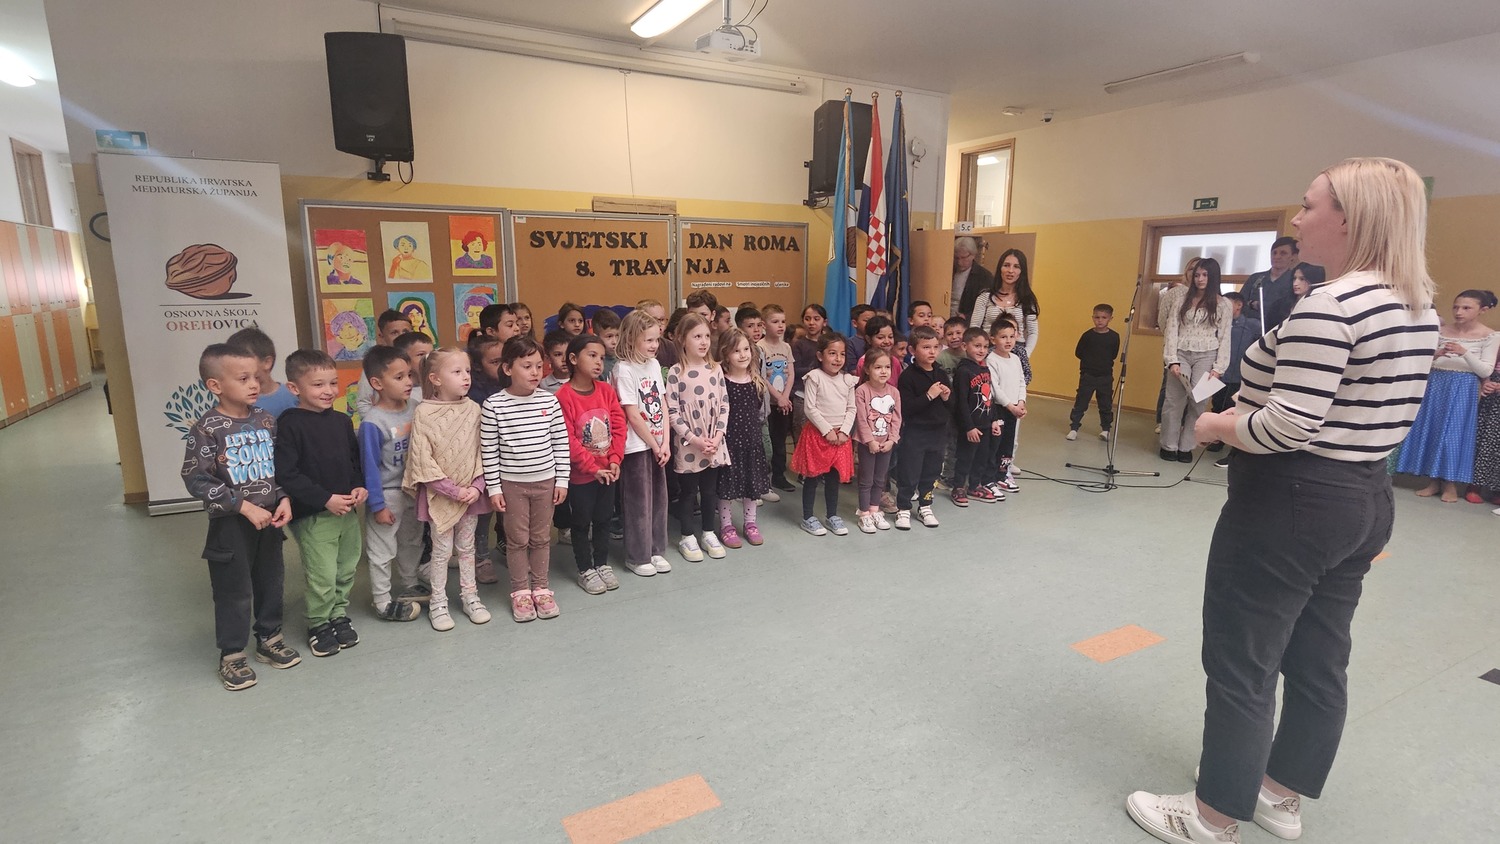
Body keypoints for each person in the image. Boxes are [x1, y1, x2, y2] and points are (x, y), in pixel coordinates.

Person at [1125, 157, 1442, 844]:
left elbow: (1288, 425)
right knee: (1319, 657)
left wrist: (1217, 426)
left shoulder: (1332, 306)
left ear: (1349, 219)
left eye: (1309, 206)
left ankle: (1211, 816)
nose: (1297, 220)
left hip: (1294, 499)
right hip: (1364, 496)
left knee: (1242, 658)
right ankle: (1278, 794)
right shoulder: (1417, 306)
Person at [181, 343, 298, 690]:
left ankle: (269, 638)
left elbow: (274, 469)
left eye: (256, 377)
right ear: (215, 385)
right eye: (243, 378)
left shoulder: (265, 420)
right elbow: (196, 479)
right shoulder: (207, 428)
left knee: (271, 580)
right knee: (234, 590)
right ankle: (232, 655)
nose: (254, 384)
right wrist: (242, 505)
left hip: (269, 520)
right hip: (231, 524)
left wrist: (283, 498)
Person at [273, 349, 367, 658]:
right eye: (318, 385)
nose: (328, 391)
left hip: (347, 512)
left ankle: (338, 614)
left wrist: (359, 486)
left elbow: (354, 462)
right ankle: (318, 623)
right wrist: (325, 499)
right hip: (314, 514)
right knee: (322, 574)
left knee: (346, 567)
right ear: (294, 388)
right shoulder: (289, 424)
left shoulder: (342, 421)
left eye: (333, 383)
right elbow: (287, 474)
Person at [481, 336, 570, 622]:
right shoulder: (493, 405)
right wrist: (494, 488)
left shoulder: (549, 401)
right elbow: (489, 451)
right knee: (517, 540)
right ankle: (520, 592)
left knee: (541, 538)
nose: (535, 372)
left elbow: (560, 443)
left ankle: (541, 588)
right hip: (512, 485)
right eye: (526, 366)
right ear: (508, 368)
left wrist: (562, 480)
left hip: (546, 482)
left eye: (538, 366)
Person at [403, 347, 492, 632]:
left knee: (467, 549)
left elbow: (482, 452)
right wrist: (453, 491)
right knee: (441, 552)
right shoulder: (424, 413)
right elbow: (422, 461)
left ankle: (470, 596)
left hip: (471, 494)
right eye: (456, 372)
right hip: (440, 496)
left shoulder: (474, 409)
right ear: (436, 379)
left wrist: (477, 486)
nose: (466, 377)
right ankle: (438, 601)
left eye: (467, 371)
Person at [1393, 289, 1499, 502]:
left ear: (1482, 310)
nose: (1459, 312)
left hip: (1464, 387)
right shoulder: (1441, 330)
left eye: (1466, 308)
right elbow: (1422, 361)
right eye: (1456, 307)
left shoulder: (1490, 335)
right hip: (1436, 383)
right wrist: (1436, 354)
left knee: (1453, 435)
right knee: (1433, 430)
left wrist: (1465, 352)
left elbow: (1486, 370)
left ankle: (1450, 484)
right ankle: (1433, 481)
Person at [357, 345, 425, 623]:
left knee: (412, 541)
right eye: (399, 377)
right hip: (386, 494)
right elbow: (369, 467)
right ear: (377, 383)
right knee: (382, 549)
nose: (408, 382)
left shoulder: (416, 409)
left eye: (409, 375)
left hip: (413, 491)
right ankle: (382, 600)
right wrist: (377, 505)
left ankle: (410, 583)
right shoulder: (373, 422)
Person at [557, 334, 625, 594]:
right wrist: (592, 468)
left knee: (604, 518)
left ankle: (601, 563)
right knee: (582, 522)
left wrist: (615, 459)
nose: (599, 362)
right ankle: (585, 568)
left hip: (608, 471)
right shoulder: (564, 396)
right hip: (582, 475)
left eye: (602, 357)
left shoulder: (606, 391)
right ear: (574, 359)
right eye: (592, 356)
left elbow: (618, 426)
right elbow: (568, 439)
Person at [613, 310, 672, 577]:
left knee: (659, 499)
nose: (654, 345)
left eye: (656, 340)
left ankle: (656, 549)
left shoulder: (654, 365)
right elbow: (632, 414)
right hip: (637, 446)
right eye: (648, 340)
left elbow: (663, 404)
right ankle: (638, 556)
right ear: (631, 338)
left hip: (658, 444)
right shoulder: (623, 369)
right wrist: (654, 444)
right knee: (639, 501)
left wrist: (665, 442)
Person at [667, 314, 730, 562]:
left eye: (706, 336)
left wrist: (718, 436)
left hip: (714, 442)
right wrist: (694, 439)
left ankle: (708, 532)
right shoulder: (676, 372)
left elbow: (724, 405)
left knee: (709, 490)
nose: (704, 342)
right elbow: (672, 412)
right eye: (697, 336)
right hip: (689, 443)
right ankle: (687, 536)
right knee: (689, 491)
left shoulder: (715, 369)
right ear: (682, 339)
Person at [1160, 257, 1233, 463]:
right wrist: (1172, 360)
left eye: (1205, 275)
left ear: (1213, 277)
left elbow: (1225, 337)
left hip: (1208, 355)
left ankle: (1186, 446)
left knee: (1198, 402)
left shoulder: (1224, 304)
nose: (1200, 279)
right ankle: (1168, 445)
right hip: (1181, 353)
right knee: (1173, 401)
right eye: (1197, 275)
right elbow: (1171, 330)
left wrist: (1219, 368)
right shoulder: (1181, 300)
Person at [792, 331, 856, 536]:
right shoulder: (814, 377)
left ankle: (832, 515)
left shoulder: (848, 380)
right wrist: (827, 430)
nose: (838, 359)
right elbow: (810, 408)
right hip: (818, 436)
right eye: (832, 353)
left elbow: (852, 408)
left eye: (842, 354)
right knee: (812, 478)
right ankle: (808, 517)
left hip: (840, 438)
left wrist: (844, 431)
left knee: (833, 479)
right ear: (820, 355)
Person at [715, 327, 771, 547]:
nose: (743, 355)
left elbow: (758, 410)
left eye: (746, 349)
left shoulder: (756, 381)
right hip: (729, 442)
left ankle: (750, 523)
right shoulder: (721, 381)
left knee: (751, 484)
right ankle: (726, 525)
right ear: (725, 353)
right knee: (727, 486)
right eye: (736, 351)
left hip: (751, 442)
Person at [894, 326, 951, 529]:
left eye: (935, 347)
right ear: (912, 350)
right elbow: (907, 408)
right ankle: (903, 507)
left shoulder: (941, 374)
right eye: (926, 347)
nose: (932, 352)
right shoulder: (908, 377)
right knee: (909, 471)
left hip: (938, 433)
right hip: (915, 433)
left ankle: (925, 505)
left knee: (932, 471)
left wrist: (946, 397)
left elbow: (950, 406)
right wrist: (929, 395)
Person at [466, 335, 505, 585]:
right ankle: (480, 557)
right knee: (482, 512)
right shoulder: (472, 394)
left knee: (506, 509)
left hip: (508, 459)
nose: (501, 366)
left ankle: (512, 546)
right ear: (478, 366)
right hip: (480, 461)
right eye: (494, 362)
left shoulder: (511, 385)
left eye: (504, 360)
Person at [853, 347, 901, 533]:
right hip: (868, 444)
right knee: (866, 480)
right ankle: (864, 513)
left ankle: (875, 510)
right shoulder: (862, 391)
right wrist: (870, 441)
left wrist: (892, 440)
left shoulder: (894, 392)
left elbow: (896, 419)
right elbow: (861, 419)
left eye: (887, 367)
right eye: (878, 367)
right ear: (867, 369)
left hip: (886, 443)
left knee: (880, 479)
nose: (883, 371)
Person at [950, 328, 997, 506]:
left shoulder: (985, 369)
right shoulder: (963, 371)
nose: (982, 350)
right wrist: (969, 427)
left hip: (985, 423)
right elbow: (961, 402)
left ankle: (974, 485)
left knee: (982, 456)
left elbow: (989, 397)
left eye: (985, 346)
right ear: (964, 346)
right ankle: (958, 487)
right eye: (977, 346)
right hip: (970, 426)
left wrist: (994, 420)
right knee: (966, 457)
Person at [1211, 293, 1256, 469]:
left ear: (1238, 305)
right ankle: (1217, 440)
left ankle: (1233, 450)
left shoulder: (1252, 325)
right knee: (1217, 407)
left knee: (1235, 413)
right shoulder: (1218, 323)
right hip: (1218, 373)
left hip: (1239, 377)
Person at [987, 317, 1027, 497]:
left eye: (1011, 336)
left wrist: (1021, 402)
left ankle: (1002, 475)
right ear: (993, 339)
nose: (1008, 341)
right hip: (999, 409)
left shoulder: (1016, 359)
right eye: (1003, 337)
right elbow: (995, 388)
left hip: (1014, 409)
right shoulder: (991, 360)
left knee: (1008, 444)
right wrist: (1011, 406)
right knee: (995, 445)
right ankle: (989, 478)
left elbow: (1021, 382)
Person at [759, 304, 797, 493]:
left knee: (780, 440)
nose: (780, 325)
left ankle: (779, 475)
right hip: (768, 404)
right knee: (767, 441)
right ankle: (763, 476)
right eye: (775, 322)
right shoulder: (760, 347)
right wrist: (778, 397)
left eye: (783, 321)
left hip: (784, 402)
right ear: (763, 325)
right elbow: (761, 377)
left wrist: (785, 397)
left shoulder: (786, 347)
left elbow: (791, 373)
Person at [1067, 304, 1119, 441]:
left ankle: (1106, 429)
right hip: (1088, 375)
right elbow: (1078, 352)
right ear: (1092, 317)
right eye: (1097, 317)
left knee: (1105, 404)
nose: (1100, 320)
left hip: (1105, 376)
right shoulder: (1087, 336)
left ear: (1110, 319)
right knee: (1081, 402)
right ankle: (1074, 428)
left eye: (1104, 317)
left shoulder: (1114, 337)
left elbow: (1114, 354)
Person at [226, 327, 298, 418]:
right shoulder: (234, 402)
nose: (238, 366)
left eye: (244, 359)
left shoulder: (293, 396)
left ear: (267, 362)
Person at [354, 310, 415, 416]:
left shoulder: (419, 360)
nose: (401, 336)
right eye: (394, 333)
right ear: (382, 337)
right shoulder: (376, 364)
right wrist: (381, 422)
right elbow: (363, 403)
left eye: (405, 332)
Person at [1239, 235, 1299, 332]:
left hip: (1278, 331)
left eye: (1283, 253)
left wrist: (1257, 304)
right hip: (1248, 330)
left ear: (1293, 257)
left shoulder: (1295, 281)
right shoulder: (1255, 278)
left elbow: (1287, 309)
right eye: (1274, 253)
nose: (1277, 257)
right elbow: (1240, 303)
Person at [792, 304, 828, 434]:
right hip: (803, 396)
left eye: (816, 319)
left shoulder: (829, 344)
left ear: (824, 322)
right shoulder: (798, 345)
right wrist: (816, 370)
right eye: (807, 319)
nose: (811, 323)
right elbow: (795, 370)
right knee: (802, 434)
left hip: (825, 396)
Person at [952, 236, 994, 319]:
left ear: (973, 255)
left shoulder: (984, 276)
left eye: (963, 258)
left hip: (967, 321)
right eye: (956, 258)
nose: (959, 262)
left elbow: (987, 305)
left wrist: (967, 316)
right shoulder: (949, 270)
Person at [856, 314, 903, 381]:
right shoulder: (863, 362)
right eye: (880, 337)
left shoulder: (895, 361)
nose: (887, 341)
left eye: (890, 337)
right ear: (868, 339)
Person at [591, 307, 623, 384]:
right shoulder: (595, 364)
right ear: (596, 337)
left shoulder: (623, 359)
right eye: (609, 336)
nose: (615, 342)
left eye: (617, 335)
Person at [846, 304, 875, 373]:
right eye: (866, 320)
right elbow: (852, 370)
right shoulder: (850, 343)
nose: (871, 324)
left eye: (874, 320)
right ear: (854, 323)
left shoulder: (880, 341)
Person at [541, 329, 571, 394]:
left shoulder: (582, 382)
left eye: (568, 353)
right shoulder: (542, 386)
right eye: (558, 354)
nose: (564, 359)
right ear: (548, 358)